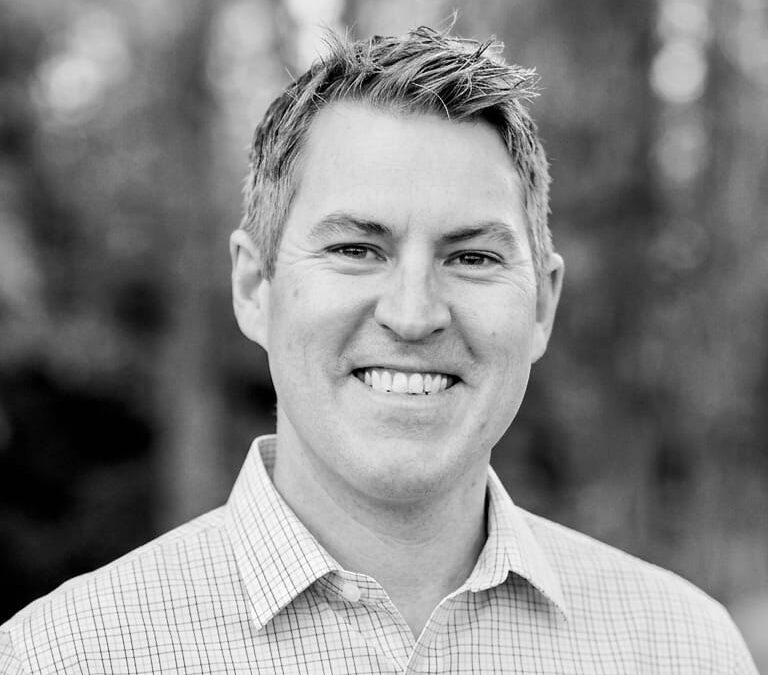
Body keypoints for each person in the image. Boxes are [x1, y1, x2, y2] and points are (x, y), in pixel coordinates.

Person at [0, 26, 757, 675]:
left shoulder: (684, 648)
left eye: (473, 258)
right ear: (254, 285)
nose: (414, 313)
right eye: (358, 248)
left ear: (543, 304)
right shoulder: (64, 656)